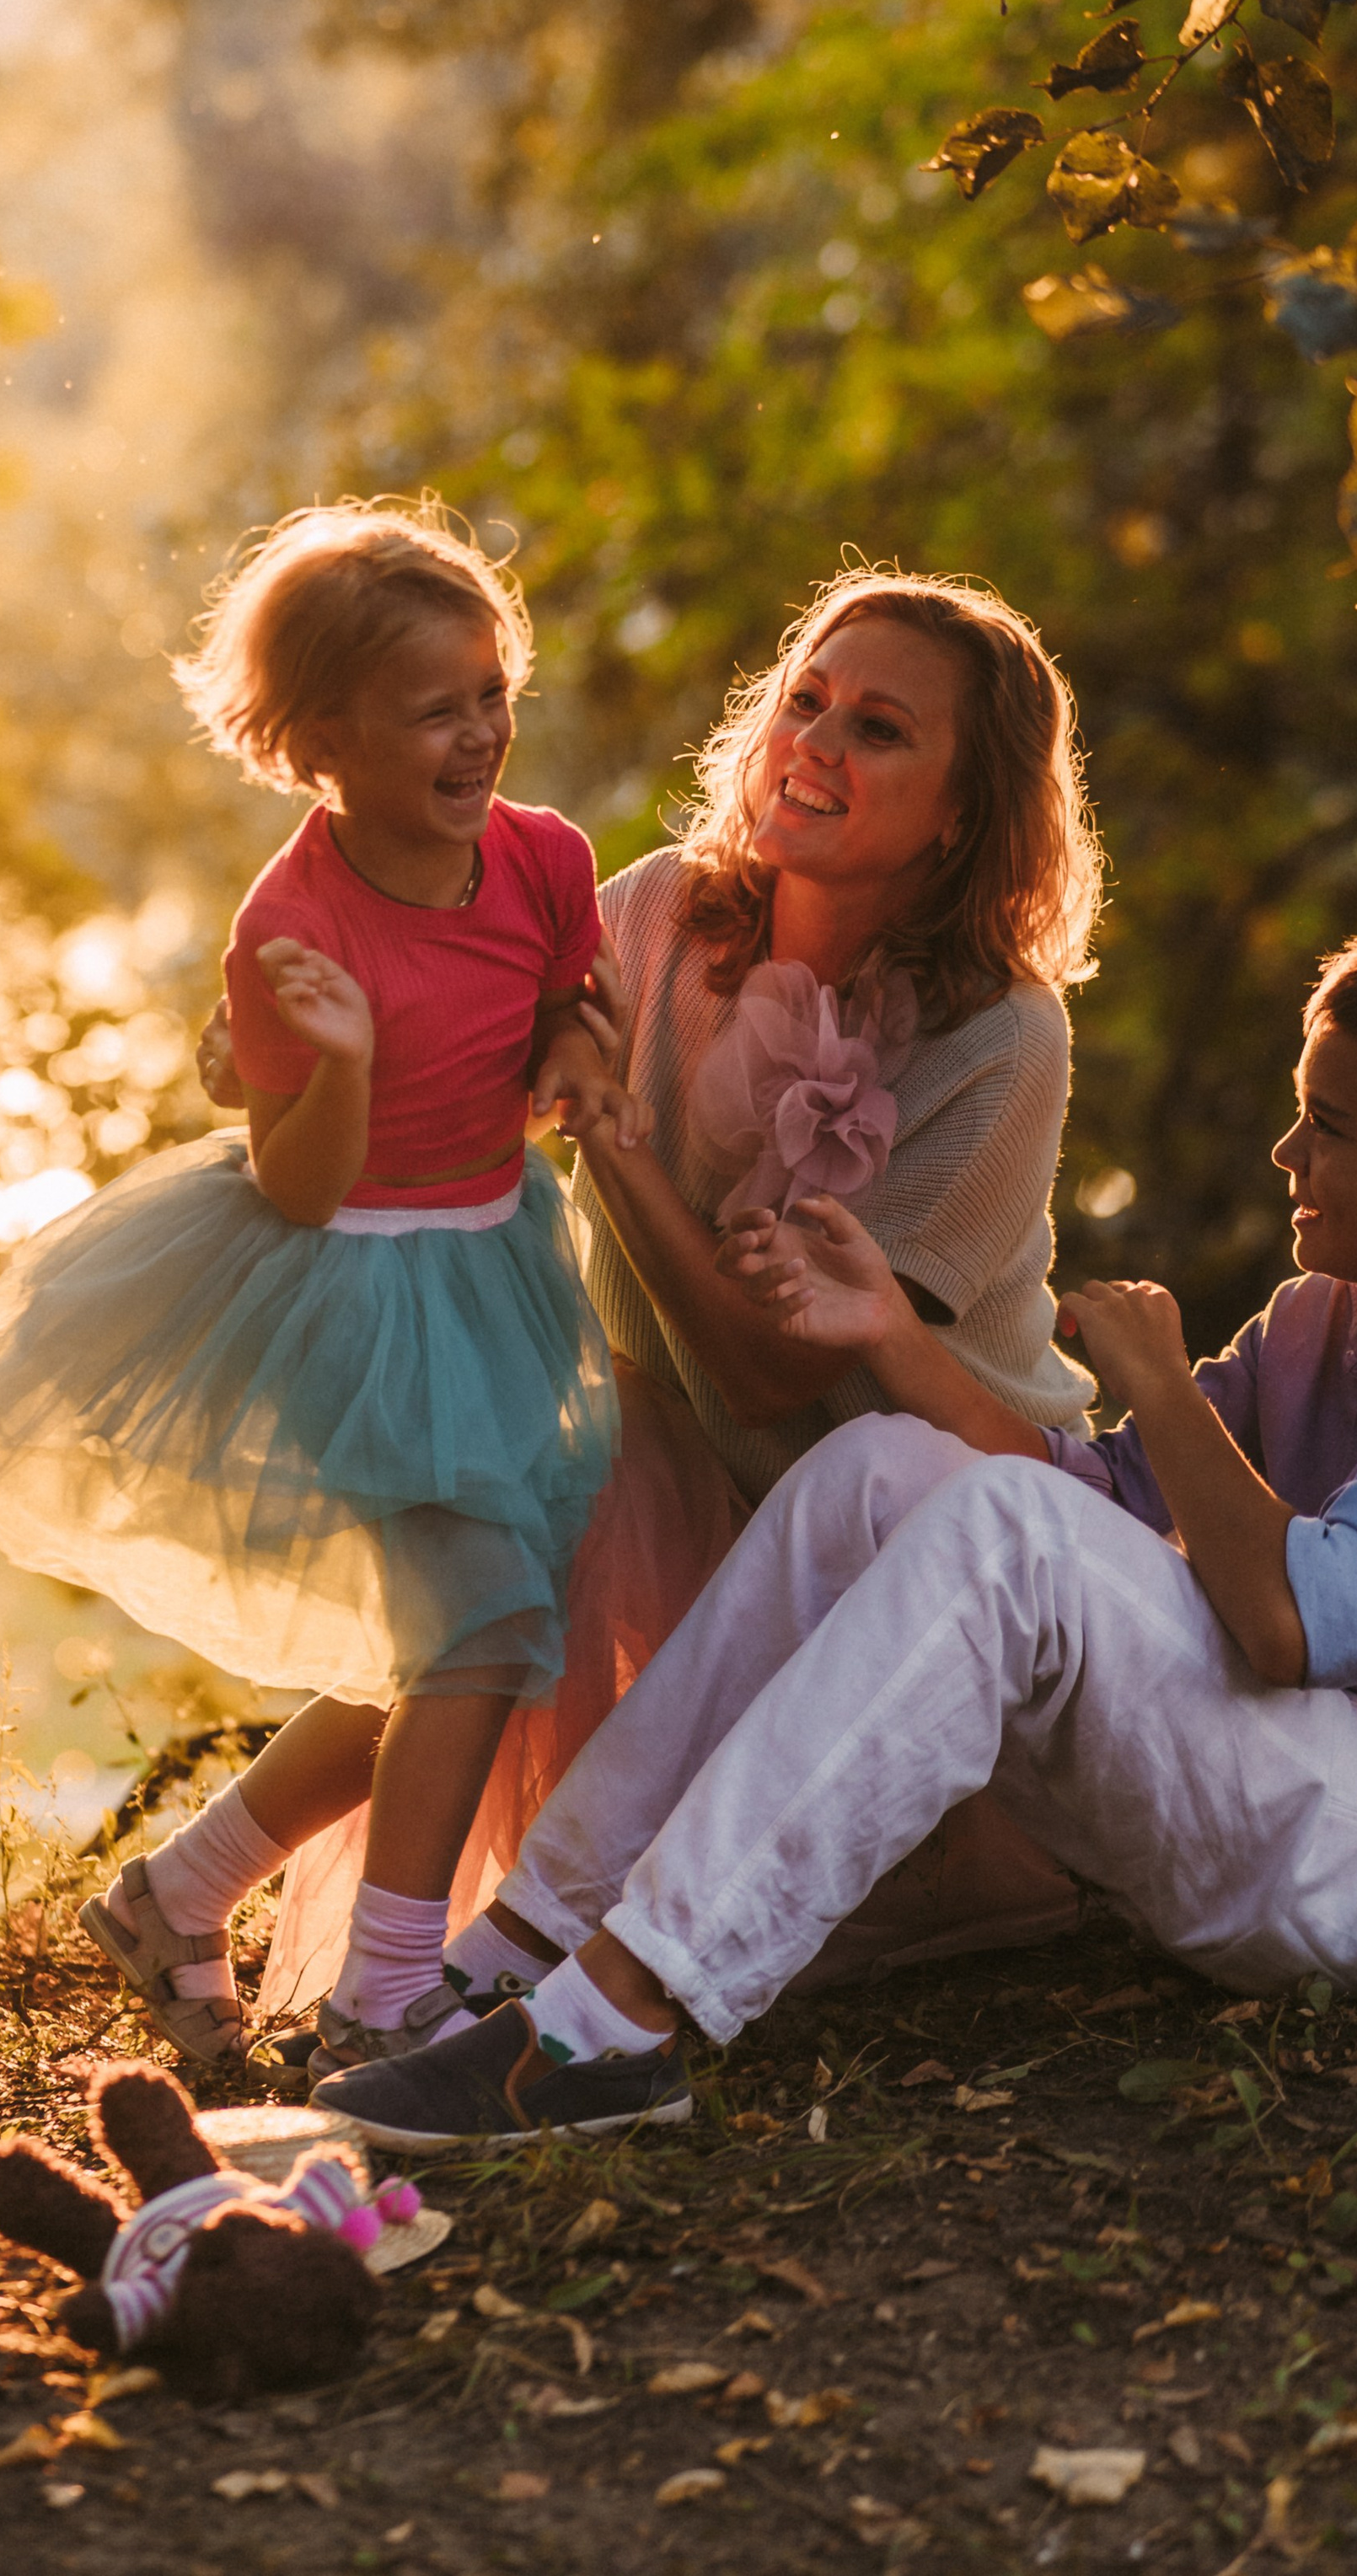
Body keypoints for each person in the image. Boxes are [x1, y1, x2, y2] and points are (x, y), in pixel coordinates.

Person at [303, 929, 1357, 2150]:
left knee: (1006, 1538)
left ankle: (615, 2027)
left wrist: (1162, 1381)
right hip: (1304, 1783)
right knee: (879, 1470)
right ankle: (518, 1953)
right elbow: (1089, 1494)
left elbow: (1294, 1626)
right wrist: (891, 1338)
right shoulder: (1323, 1320)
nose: (1289, 1152)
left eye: (1329, 1126)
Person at [255, 565, 1109, 2037]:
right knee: (540, 1470)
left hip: (898, 1520)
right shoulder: (650, 915)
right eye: (807, 700)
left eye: (882, 729)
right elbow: (455, 1067)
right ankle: (218, 1894)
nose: (816, 745)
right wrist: (298, 1049)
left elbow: (780, 1379)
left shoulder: (1001, 1036)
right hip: (675, 1474)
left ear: (965, 809)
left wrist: (616, 1142)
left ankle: (423, 1962)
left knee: (586, 1476)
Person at [0, 498, 645, 2070]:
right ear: (322, 739)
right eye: (431, 709)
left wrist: (582, 1046)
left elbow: (561, 998)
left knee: (462, 1635)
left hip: (496, 1263)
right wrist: (350, 1058)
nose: (478, 735)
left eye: (490, 691)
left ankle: (179, 1893)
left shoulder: (542, 859)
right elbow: (298, 1184)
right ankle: (387, 1995)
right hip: (350, 1291)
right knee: (473, 1633)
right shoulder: (294, 928)